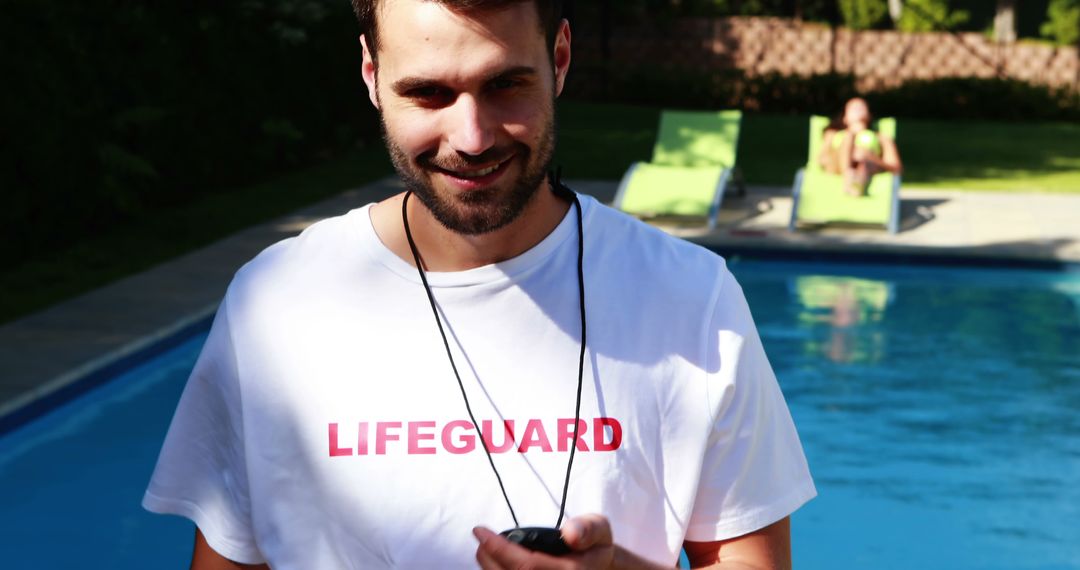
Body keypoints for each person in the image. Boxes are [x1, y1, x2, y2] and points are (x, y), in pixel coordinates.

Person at [142, 1, 816, 568]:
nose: (471, 137)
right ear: (372, 75)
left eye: (504, 86)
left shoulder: (692, 299)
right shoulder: (276, 303)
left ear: (559, 58)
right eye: (428, 93)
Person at [818, 97, 902, 197]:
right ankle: (849, 175)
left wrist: (869, 157)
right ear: (845, 117)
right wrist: (849, 151)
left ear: (869, 115)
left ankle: (856, 185)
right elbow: (821, 159)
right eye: (853, 108)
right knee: (848, 137)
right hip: (837, 166)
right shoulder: (833, 134)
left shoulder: (881, 137)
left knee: (864, 163)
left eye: (861, 107)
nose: (857, 109)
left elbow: (896, 168)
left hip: (866, 167)